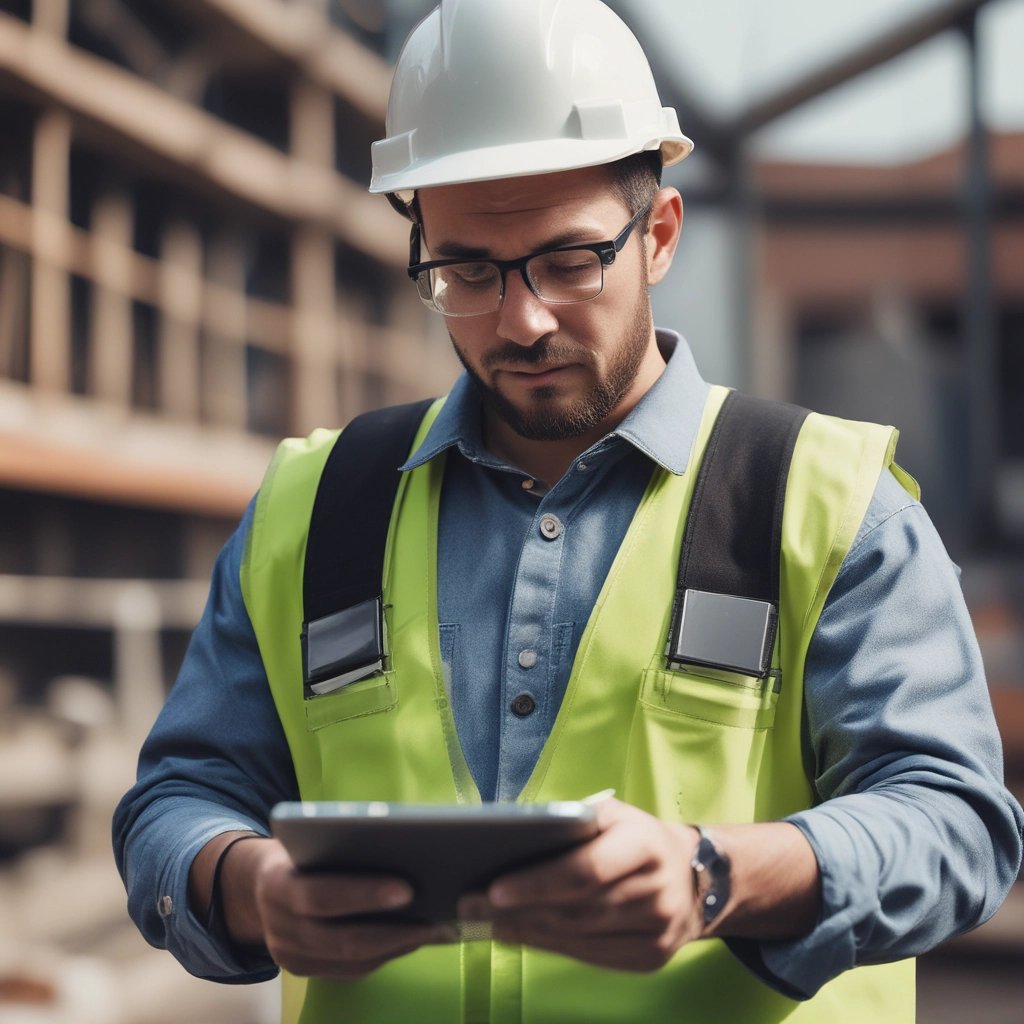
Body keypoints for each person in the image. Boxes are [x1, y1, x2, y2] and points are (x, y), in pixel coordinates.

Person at [113, 1, 1023, 1021]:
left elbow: (955, 824)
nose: (523, 319)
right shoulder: (312, 511)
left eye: (567, 261)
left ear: (659, 235)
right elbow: (177, 800)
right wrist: (249, 886)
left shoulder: (826, 503)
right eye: (467, 271)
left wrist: (714, 875)